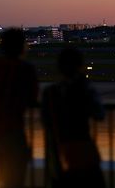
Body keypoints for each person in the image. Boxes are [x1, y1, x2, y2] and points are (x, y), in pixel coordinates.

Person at [42, 47, 106, 188]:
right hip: (82, 151)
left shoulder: (49, 93)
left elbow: (46, 121)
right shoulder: (84, 90)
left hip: (59, 152)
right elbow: (99, 114)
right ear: (80, 66)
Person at [0, 28, 38, 188]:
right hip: (13, 130)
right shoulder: (26, 68)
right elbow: (32, 98)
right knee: (16, 177)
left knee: (1, 176)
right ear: (22, 46)